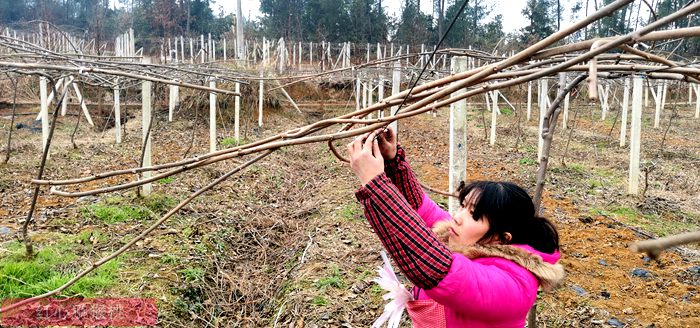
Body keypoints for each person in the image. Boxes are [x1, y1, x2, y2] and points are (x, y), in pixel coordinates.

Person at [346, 127, 564, 328]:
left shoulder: (515, 284)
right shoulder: (471, 240)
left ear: (502, 238)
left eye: (474, 214)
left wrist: (375, 184)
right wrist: (392, 164)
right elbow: (423, 211)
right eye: (463, 206)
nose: (457, 218)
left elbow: (439, 270)